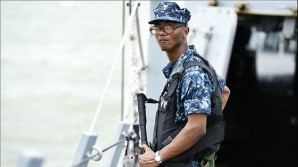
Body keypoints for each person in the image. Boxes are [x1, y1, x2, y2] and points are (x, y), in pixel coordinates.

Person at [138, 2, 230, 167]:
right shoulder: (184, 67)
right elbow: (224, 92)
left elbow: (196, 128)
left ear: (185, 31)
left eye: (169, 27)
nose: (161, 33)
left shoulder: (193, 73)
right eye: (157, 28)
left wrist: (158, 157)